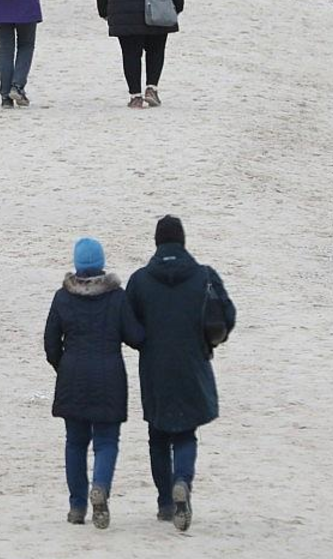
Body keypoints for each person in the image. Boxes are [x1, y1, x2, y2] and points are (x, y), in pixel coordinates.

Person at [126, 215, 236, 531]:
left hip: (154, 369)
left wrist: (144, 343)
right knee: (186, 432)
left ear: (157, 242)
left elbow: (128, 326)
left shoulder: (140, 280)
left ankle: (164, 502)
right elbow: (227, 316)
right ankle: (182, 482)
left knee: (158, 436)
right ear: (183, 241)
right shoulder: (204, 276)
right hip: (192, 364)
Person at [44, 237, 144, 529]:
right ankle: (100, 487)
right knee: (106, 441)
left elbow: (51, 343)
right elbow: (136, 337)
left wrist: (64, 367)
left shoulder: (62, 297)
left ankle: (77, 506)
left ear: (77, 264)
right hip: (109, 375)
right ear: (101, 263)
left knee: (75, 443)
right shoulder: (117, 297)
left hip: (72, 375)